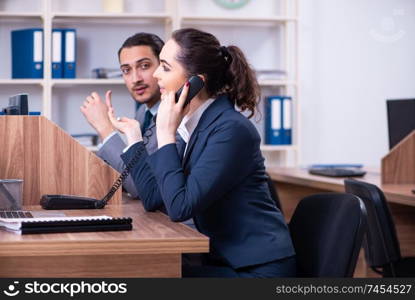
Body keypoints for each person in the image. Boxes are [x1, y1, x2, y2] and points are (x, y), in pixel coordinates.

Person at [107, 28, 296, 277]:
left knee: (145, 275)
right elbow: (153, 197)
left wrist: (166, 135)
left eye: (164, 67)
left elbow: (180, 207)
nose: (155, 75)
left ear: (195, 81)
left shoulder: (230, 130)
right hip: (219, 260)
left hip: (254, 269)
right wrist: (133, 138)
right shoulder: (195, 124)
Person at [80, 32, 164, 198]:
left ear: (163, 67)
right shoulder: (142, 113)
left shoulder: (175, 117)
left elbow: (142, 188)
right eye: (126, 70)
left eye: (144, 66)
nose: (135, 79)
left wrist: (106, 129)